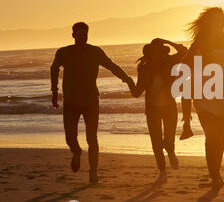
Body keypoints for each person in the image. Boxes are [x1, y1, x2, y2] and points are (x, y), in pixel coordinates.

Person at [50, 22, 134, 183]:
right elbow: (54, 69)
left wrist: (128, 79)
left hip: (90, 101)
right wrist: (54, 92)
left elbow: (112, 66)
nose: (82, 38)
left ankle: (93, 173)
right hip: (71, 102)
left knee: (92, 138)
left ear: (88, 35)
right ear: (73, 35)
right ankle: (76, 152)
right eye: (79, 35)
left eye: (85, 35)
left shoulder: (95, 52)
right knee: (70, 137)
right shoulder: (63, 52)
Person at [181, 7, 224, 190]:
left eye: (222, 19)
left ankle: (215, 171)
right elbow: (185, 66)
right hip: (202, 96)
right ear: (209, 22)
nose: (221, 23)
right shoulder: (198, 43)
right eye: (217, 19)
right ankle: (214, 175)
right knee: (211, 136)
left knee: (219, 139)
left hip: (221, 95)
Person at [129, 38, 187, 184]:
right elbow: (137, 92)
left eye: (158, 51)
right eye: (152, 51)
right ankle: (162, 172)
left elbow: (184, 51)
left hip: (169, 107)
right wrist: (128, 81)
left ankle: (171, 152)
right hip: (152, 110)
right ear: (149, 53)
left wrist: (167, 41)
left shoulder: (169, 62)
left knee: (168, 140)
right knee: (156, 142)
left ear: (161, 52)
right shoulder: (144, 68)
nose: (155, 54)